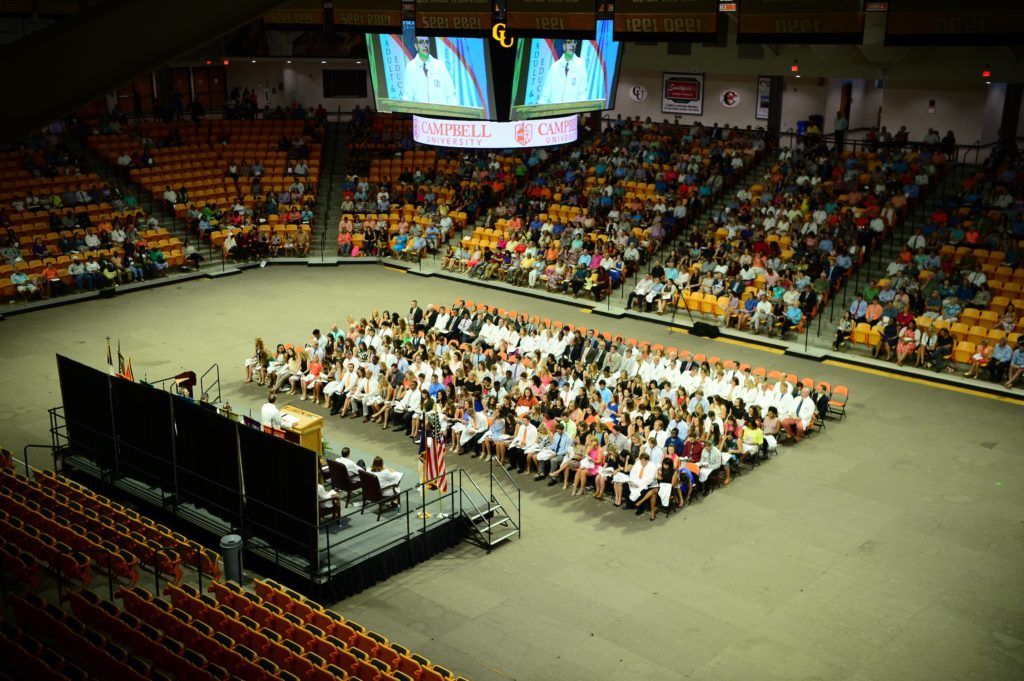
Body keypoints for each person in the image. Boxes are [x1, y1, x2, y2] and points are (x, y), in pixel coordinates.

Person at [403, 35, 455, 105]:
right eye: (421, 42)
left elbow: (451, 94)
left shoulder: (439, 65)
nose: (425, 45)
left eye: (427, 42)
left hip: (439, 113)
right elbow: (408, 96)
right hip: (420, 114)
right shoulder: (410, 68)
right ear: (416, 46)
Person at [538, 38, 589, 105]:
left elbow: (583, 93)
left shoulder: (580, 65)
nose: (572, 45)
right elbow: (545, 94)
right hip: (555, 111)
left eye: (574, 42)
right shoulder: (554, 67)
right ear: (564, 46)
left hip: (571, 112)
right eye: (569, 42)